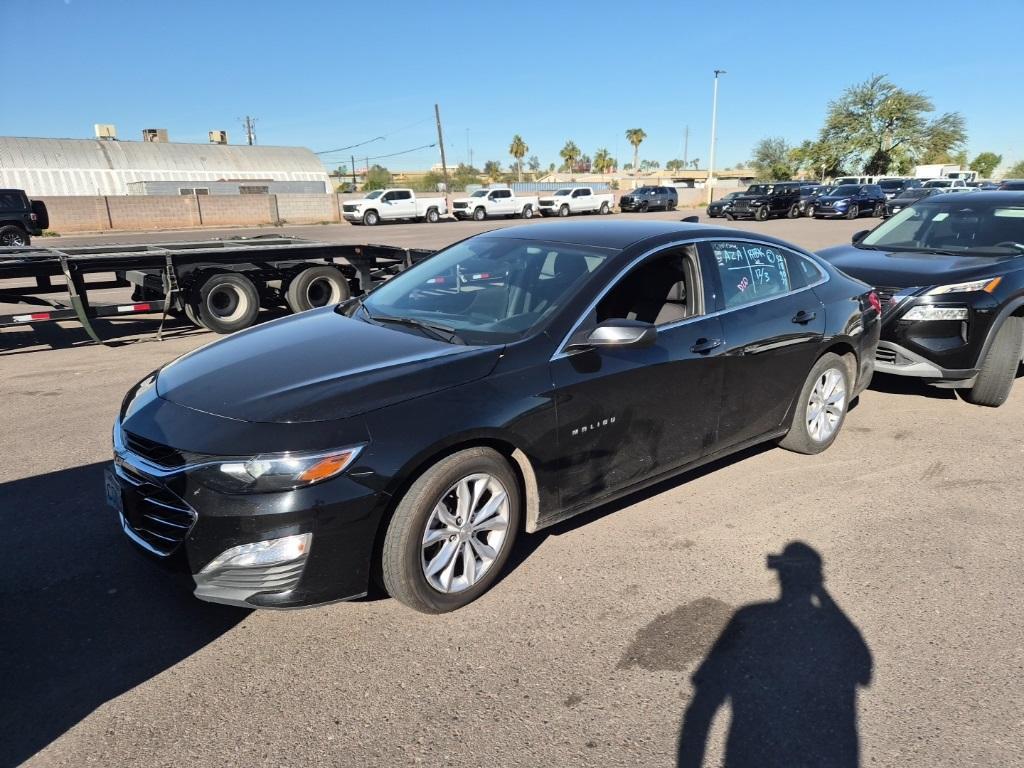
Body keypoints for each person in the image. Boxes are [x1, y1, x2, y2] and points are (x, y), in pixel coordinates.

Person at [678, 542, 872, 768]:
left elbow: (703, 705)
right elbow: (864, 670)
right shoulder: (833, 629)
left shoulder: (748, 620)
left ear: (780, 576)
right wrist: (822, 593)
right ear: (816, 580)